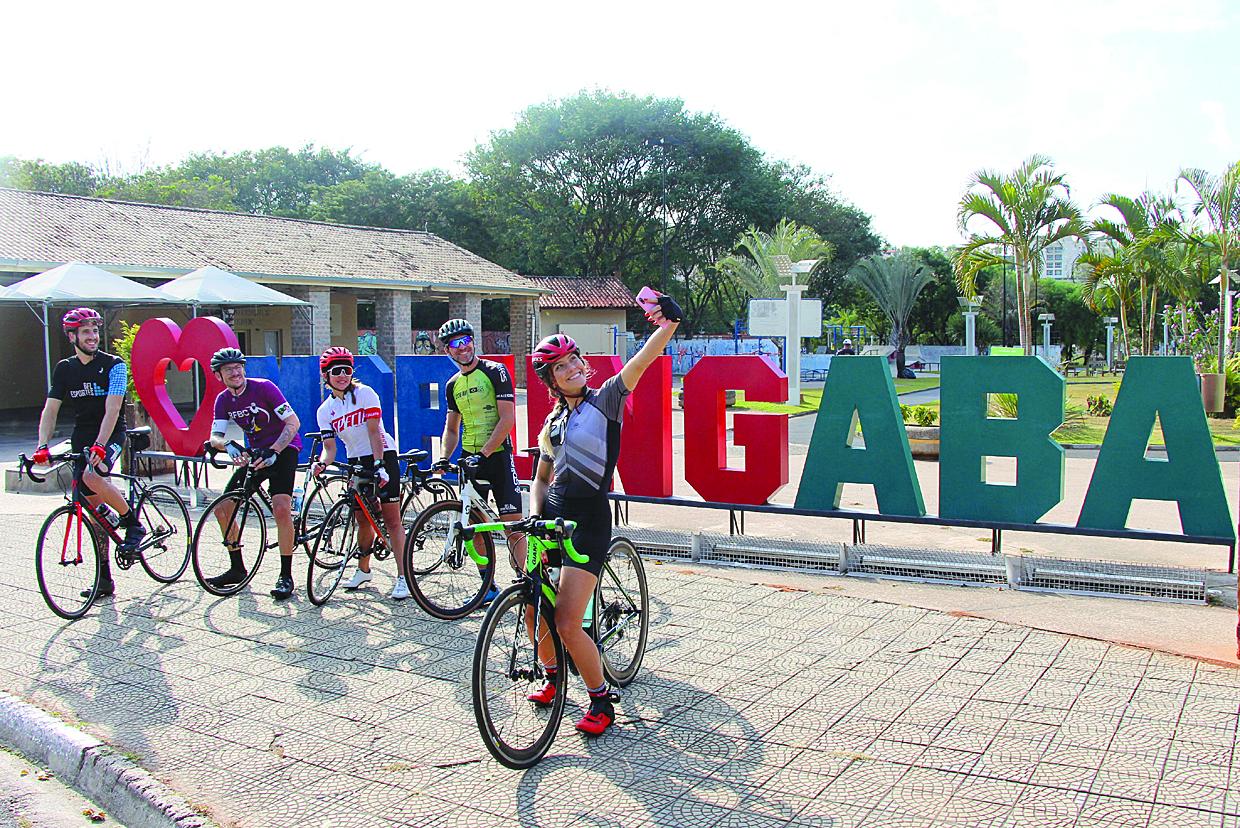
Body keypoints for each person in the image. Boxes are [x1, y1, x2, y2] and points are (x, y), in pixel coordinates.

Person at [526, 290, 681, 736]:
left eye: (574, 360)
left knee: (567, 621)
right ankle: (553, 676)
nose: (573, 368)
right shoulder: (552, 422)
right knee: (535, 606)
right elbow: (541, 478)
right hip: (551, 517)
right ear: (551, 380)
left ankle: (600, 700)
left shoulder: (606, 399)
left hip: (589, 520)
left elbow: (642, 362)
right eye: (562, 366)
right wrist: (535, 517)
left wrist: (667, 325)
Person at [33, 307, 145, 598]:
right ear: (72, 336)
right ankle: (105, 580)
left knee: (93, 474)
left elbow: (113, 408)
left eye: (95, 330)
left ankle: (133, 524)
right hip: (81, 437)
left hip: (111, 433)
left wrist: (100, 444)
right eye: (86, 332)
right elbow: (51, 409)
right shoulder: (64, 369)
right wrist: (42, 445)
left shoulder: (114, 365)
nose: (93, 336)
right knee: (94, 514)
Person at [434, 318, 524, 598]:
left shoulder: (495, 371)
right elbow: (451, 427)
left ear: (473, 341)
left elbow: (507, 419)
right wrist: (443, 457)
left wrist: (484, 453)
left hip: (496, 456)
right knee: (473, 526)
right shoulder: (452, 385)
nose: (462, 348)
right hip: (470, 459)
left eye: (465, 341)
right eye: (454, 345)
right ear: (447, 351)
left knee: (513, 524)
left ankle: (526, 581)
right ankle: (488, 586)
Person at [311, 347, 409, 600]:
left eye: (347, 370)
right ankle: (363, 570)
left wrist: (379, 465)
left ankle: (403, 577)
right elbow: (330, 448)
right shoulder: (325, 410)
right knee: (362, 519)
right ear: (326, 375)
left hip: (382, 455)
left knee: (392, 520)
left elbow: (375, 431)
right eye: (336, 371)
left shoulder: (365, 393)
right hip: (355, 461)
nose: (342, 375)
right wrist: (321, 463)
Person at [206, 347, 303, 599]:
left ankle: (285, 575)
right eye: (229, 370)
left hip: (284, 448)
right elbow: (215, 436)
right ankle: (237, 568)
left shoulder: (264, 388)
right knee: (222, 508)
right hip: (256, 453)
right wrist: (226, 444)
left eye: (239, 367)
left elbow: (293, 423)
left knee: (281, 507)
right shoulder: (224, 400)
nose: (235, 372)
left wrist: (275, 450)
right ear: (219, 375)